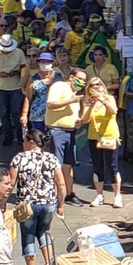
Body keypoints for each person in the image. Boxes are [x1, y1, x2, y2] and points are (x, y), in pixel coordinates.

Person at [8, 128, 65, 265]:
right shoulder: (52, 159)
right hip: (48, 204)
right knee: (44, 232)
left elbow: (11, 183)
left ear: (31, 141)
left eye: (25, 141)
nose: (23, 144)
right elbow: (60, 184)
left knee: (28, 235)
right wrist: (61, 205)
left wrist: (2, 202)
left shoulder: (19, 158)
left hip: (28, 205)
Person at [46, 68, 87, 207]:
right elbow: (51, 104)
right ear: (71, 77)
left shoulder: (74, 93)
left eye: (84, 80)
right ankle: (55, 194)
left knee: (69, 165)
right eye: (80, 78)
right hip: (57, 131)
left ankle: (69, 193)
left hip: (71, 132)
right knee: (56, 164)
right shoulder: (59, 86)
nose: (82, 82)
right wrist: (71, 100)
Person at [80, 76, 123, 208]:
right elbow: (84, 120)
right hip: (94, 137)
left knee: (112, 166)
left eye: (98, 84)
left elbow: (114, 111)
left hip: (109, 135)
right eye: (93, 85)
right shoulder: (87, 102)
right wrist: (92, 104)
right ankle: (99, 194)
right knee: (97, 166)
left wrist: (103, 100)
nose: (96, 87)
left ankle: (117, 195)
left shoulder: (109, 98)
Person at [0, 34, 26, 146]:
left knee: (17, 113)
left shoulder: (19, 53)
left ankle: (20, 137)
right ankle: (8, 136)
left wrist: (16, 73)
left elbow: (24, 67)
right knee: (4, 113)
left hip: (16, 86)